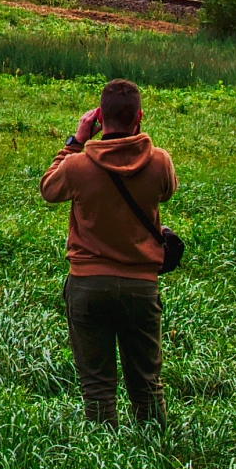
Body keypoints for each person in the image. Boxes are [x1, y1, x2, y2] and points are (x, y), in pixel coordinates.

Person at [39, 77, 178, 425]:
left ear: (99, 117)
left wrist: (76, 141)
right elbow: (166, 193)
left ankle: (103, 460)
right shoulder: (160, 162)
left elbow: (48, 189)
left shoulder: (77, 166)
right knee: (147, 386)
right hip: (140, 286)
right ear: (139, 116)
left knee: (98, 389)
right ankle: (155, 458)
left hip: (88, 285)